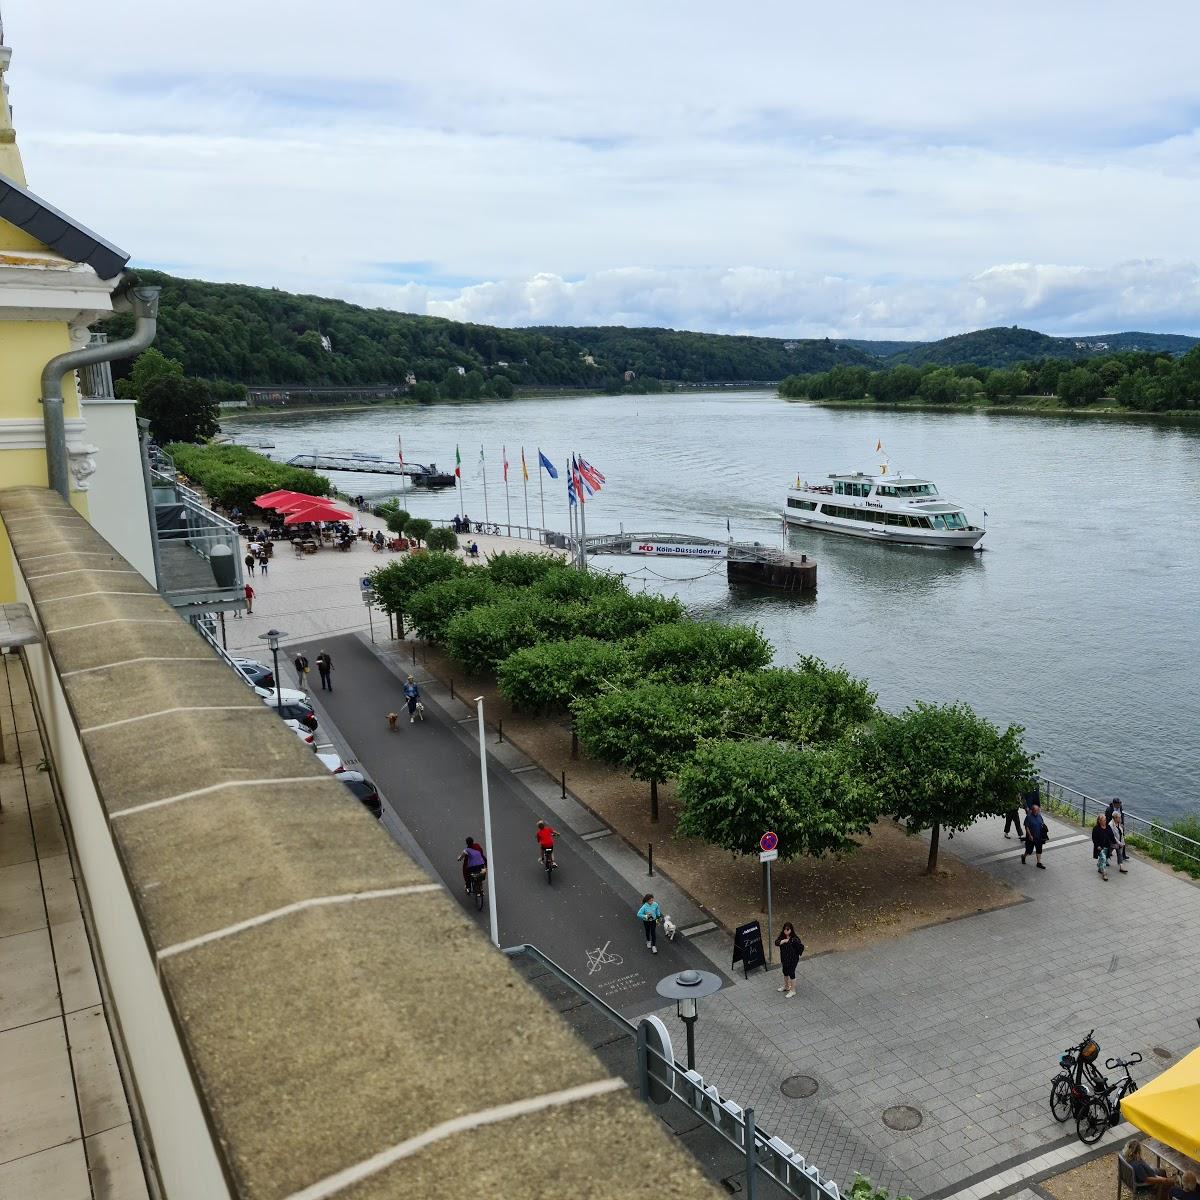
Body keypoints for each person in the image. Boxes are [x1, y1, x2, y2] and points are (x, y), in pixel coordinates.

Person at [774, 922, 804, 999]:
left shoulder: (795, 939)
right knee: (785, 972)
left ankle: (793, 990)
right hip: (784, 958)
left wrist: (789, 941)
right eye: (784, 929)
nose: (786, 931)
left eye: (788, 929)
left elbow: (800, 947)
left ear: (791, 930)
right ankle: (786, 986)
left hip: (793, 959)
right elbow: (776, 942)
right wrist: (784, 941)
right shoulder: (782, 936)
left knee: (791, 973)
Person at [1022, 801, 1048, 868]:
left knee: (1039, 850)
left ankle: (1038, 863)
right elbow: (1026, 827)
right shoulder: (1028, 817)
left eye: (1038, 810)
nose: (1038, 811)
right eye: (1036, 810)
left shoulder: (1039, 816)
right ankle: (1024, 856)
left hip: (1039, 837)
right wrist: (1030, 835)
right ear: (1032, 810)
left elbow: (1042, 823)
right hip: (1031, 837)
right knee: (1029, 850)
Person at [1093, 813, 1116, 881]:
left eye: (1105, 820)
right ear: (1099, 821)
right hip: (1100, 847)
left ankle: (1100, 868)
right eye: (1103, 820)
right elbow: (1094, 839)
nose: (1105, 821)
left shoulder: (1108, 827)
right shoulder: (1096, 828)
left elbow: (1112, 835)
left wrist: (1115, 843)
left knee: (1104, 859)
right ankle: (1104, 873)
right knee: (1103, 858)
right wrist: (1097, 846)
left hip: (1107, 846)